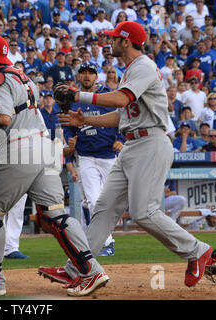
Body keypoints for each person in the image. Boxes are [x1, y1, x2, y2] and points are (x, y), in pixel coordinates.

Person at [54, 21, 212, 288]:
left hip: (150, 142)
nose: (111, 42)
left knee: (144, 213)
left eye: (115, 38)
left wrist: (78, 95)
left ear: (126, 42)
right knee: (103, 208)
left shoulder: (144, 66)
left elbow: (119, 99)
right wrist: (88, 121)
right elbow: (120, 115)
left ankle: (198, 251)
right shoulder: (131, 69)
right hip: (132, 144)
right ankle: (78, 268)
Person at [0, 34, 109, 297]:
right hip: (43, 145)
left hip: (18, 147)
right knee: (55, 214)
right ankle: (91, 270)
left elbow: (4, 118)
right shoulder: (22, 75)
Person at [62, 61, 124, 256]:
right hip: (86, 156)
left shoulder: (106, 96)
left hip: (109, 155)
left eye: (91, 73)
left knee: (109, 202)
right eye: (83, 73)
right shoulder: (73, 101)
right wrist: (69, 143)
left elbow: (122, 119)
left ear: (97, 77)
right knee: (93, 200)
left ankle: (101, 241)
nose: (87, 76)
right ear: (79, 77)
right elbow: (68, 127)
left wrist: (120, 139)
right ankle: (106, 243)